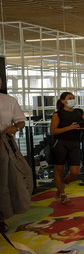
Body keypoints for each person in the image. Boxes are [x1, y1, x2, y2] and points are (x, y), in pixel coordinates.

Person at [50, 92, 84, 205]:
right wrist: (69, 128)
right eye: (70, 98)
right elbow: (53, 131)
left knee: (75, 171)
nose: (72, 100)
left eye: (73, 98)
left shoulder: (78, 112)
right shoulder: (58, 114)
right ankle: (63, 195)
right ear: (63, 101)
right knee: (59, 170)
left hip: (74, 144)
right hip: (60, 144)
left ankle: (62, 186)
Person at [0, 77, 28, 232]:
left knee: (5, 179)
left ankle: (2, 217)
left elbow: (21, 121)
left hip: (4, 145)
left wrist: (15, 127)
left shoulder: (9, 101)